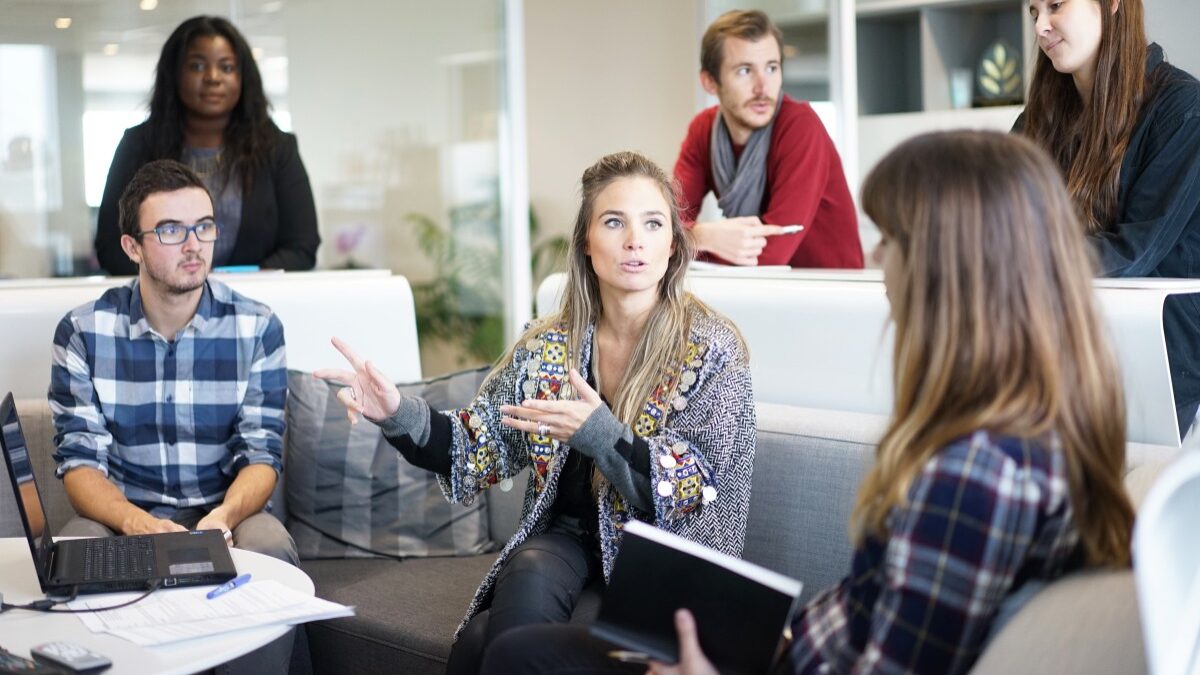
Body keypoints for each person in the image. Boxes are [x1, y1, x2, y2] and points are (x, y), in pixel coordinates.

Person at [483, 131, 1136, 675]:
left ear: (950, 268)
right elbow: (874, 617)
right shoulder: (1019, 435)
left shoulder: (974, 476)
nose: (876, 258)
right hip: (789, 648)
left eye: (892, 239)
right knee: (503, 645)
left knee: (517, 656)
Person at [316, 151, 756, 674]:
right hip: (566, 541)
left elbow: (694, 487)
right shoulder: (549, 345)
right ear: (586, 242)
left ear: (673, 245)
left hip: (663, 561)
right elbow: (475, 445)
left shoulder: (712, 349)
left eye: (653, 223)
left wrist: (600, 434)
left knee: (481, 641)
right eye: (614, 222)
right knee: (526, 571)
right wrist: (395, 411)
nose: (635, 240)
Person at [50, 159, 296, 568]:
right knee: (75, 551)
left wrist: (224, 517)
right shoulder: (82, 332)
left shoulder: (258, 327)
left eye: (204, 226)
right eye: (170, 230)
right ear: (132, 247)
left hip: (226, 511)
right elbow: (80, 462)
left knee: (270, 546)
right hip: (122, 515)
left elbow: (261, 454)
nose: (193, 245)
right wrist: (135, 522)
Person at [1016, 0, 1200, 444]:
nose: (1041, 27)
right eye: (1034, 12)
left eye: (1056, 5)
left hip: (1157, 366)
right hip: (1060, 355)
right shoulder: (1038, 119)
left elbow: (1132, 252)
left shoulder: (1182, 108)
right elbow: (998, 223)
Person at [94, 15, 319, 276]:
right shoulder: (138, 145)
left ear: (243, 77)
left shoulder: (277, 149)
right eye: (197, 66)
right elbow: (111, 247)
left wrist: (235, 285)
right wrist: (178, 283)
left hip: (254, 297)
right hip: (162, 299)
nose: (213, 77)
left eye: (227, 67)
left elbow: (302, 247)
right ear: (174, 74)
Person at [673, 9, 862, 268]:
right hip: (757, 285)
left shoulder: (800, 126)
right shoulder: (703, 130)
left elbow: (771, 254)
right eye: (744, 71)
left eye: (772, 68)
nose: (763, 87)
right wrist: (702, 236)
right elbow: (664, 225)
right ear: (710, 82)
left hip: (828, 287)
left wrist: (687, 241)